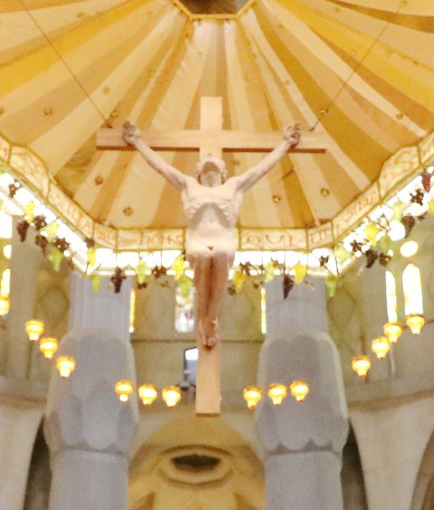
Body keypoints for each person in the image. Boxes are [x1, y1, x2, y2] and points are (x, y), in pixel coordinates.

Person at [122, 121, 303, 353]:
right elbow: (162, 167)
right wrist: (137, 141)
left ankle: (210, 317)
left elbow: (261, 169)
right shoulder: (188, 185)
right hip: (197, 241)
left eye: (214, 160)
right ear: (197, 170)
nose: (209, 156)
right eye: (204, 161)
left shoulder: (234, 186)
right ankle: (207, 316)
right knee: (203, 258)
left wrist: (285, 144)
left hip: (223, 240)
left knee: (217, 254)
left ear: (223, 171)